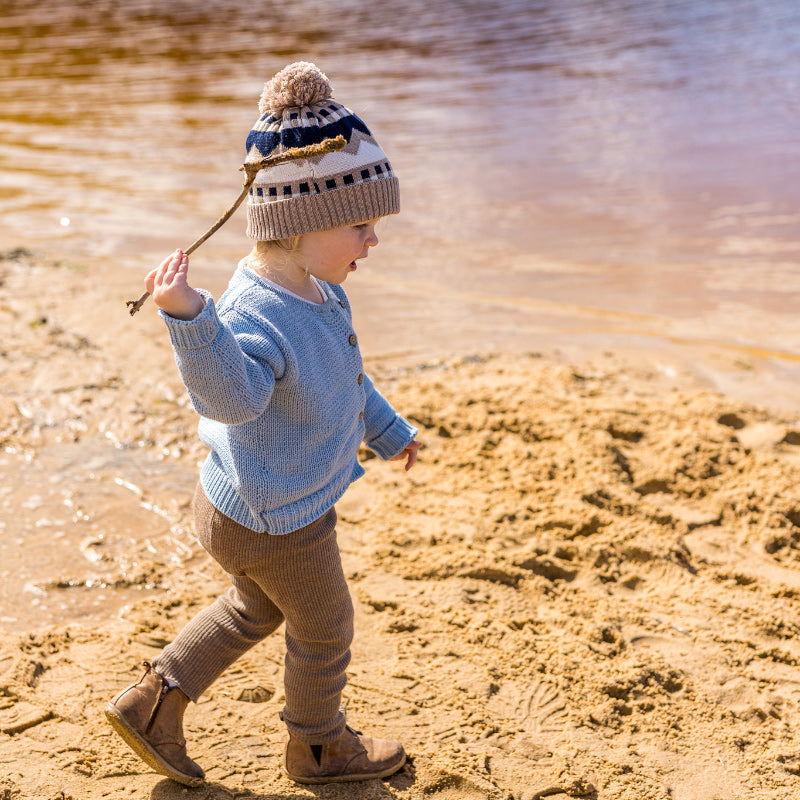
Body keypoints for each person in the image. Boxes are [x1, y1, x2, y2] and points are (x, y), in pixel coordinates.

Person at [105, 61, 421, 787]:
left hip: (241, 503)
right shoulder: (254, 312)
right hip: (279, 518)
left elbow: (346, 381)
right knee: (326, 627)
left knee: (254, 608)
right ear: (303, 222)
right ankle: (318, 747)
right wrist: (191, 317)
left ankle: (155, 699)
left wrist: (390, 430)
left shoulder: (318, 291)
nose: (373, 240)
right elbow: (233, 398)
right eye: (361, 224)